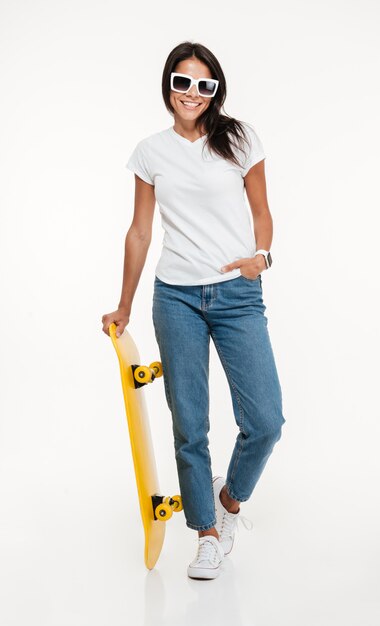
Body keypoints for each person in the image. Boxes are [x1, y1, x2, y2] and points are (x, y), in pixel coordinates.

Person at [102, 41, 286, 580]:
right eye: (183, 82)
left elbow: (262, 211)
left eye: (204, 85)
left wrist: (262, 258)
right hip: (176, 296)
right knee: (190, 425)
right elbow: (139, 231)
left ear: (215, 91)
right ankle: (205, 535)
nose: (192, 94)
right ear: (169, 85)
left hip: (236, 295)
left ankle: (227, 503)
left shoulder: (240, 139)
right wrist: (124, 305)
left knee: (266, 421)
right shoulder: (150, 151)